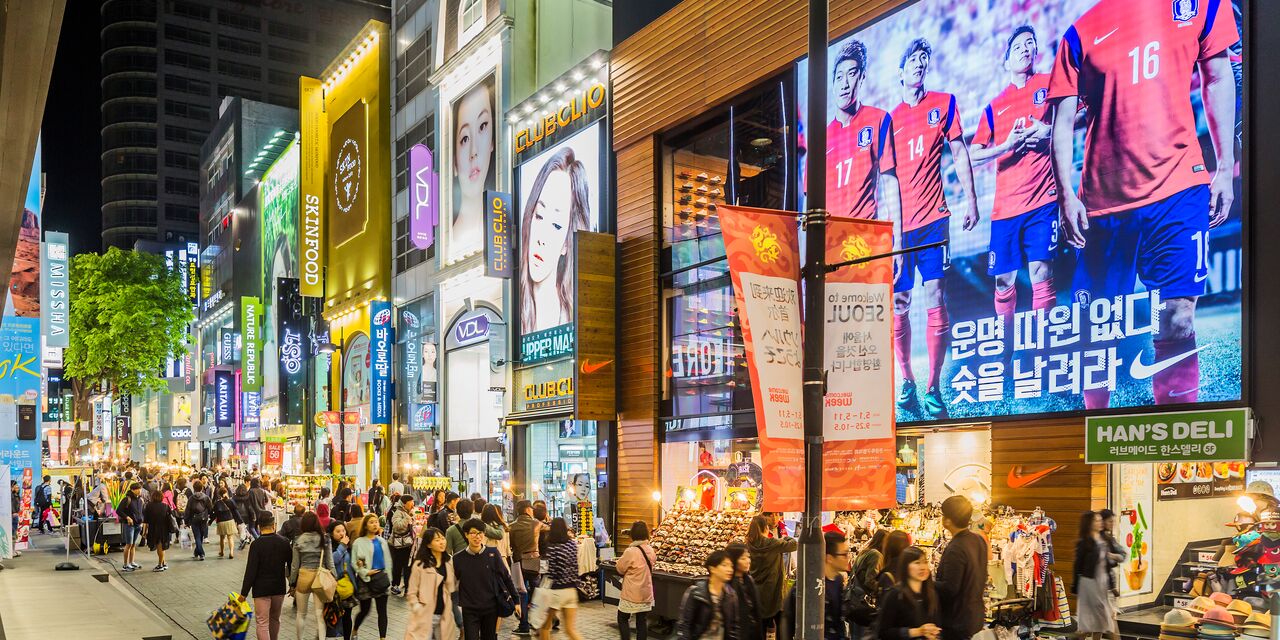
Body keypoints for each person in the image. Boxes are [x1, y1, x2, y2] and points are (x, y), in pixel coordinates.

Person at [1048, 0, 1237, 409]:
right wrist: (1066, 195)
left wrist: (1224, 167)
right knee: (1096, 330)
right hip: (1105, 202)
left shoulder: (1201, 6)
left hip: (1179, 187)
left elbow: (1218, 75)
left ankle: (1177, 439)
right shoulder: (1079, 34)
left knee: (1178, 313)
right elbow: (1061, 123)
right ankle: (1096, 433)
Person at [889, 37, 979, 420]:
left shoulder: (944, 103)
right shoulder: (888, 120)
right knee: (899, 303)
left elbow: (959, 151)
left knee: (935, 298)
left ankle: (932, 388)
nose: (920, 65)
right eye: (914, 60)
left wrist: (971, 200)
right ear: (901, 71)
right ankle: (907, 381)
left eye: (925, 60)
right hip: (901, 229)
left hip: (934, 222)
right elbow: (886, 178)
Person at [969, 25, 1058, 325]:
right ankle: (1006, 350)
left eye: (1030, 43)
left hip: (1043, 201)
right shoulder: (994, 106)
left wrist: (1049, 131)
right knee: (1003, 282)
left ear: (1036, 51)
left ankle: (1043, 346)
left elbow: (1082, 111)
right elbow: (974, 152)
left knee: (1041, 272)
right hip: (1005, 209)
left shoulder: (1052, 84)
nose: (1025, 48)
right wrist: (1005, 146)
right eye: (1018, 45)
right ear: (1006, 61)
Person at [821, 39, 902, 221]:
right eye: (839, 77)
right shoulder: (820, 139)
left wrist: (896, 243)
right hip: (829, 241)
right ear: (833, 82)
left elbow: (889, 181)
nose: (844, 84)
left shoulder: (878, 120)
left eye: (851, 74)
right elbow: (808, 201)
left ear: (862, 77)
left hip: (865, 238)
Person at [518, 146, 593, 335]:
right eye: (540, 216)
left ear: (567, 243)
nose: (541, 239)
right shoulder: (516, 314)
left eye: (556, 226)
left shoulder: (574, 316)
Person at [453, 518, 520, 640]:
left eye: (480, 533)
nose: (477, 536)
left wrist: (516, 601)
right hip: (469, 609)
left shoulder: (493, 554)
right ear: (466, 534)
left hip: (490, 607)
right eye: (473, 533)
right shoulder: (458, 559)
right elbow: (453, 582)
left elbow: (506, 577)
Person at [451, 78, 495, 251]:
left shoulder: (497, 233)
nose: (474, 151)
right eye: (464, 139)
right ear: (454, 160)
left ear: (492, 141)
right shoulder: (451, 244)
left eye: (483, 126)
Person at [933, 496, 987, 640]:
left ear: (948, 521)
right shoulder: (978, 540)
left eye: (943, 515)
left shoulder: (956, 548)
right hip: (975, 615)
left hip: (957, 621)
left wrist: (926, 581)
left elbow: (950, 588)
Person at [240, 512, 293, 640]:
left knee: (262, 622)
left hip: (261, 589)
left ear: (259, 527)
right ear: (274, 525)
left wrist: (244, 593)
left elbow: (251, 570)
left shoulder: (256, 545)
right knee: (275, 618)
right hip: (278, 587)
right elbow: (291, 565)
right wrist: (293, 584)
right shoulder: (284, 542)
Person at [1073, 511, 1125, 640]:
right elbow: (1077, 565)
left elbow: (1107, 565)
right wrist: (1075, 586)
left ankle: (1080, 636)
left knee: (1099, 622)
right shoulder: (1085, 542)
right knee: (1100, 619)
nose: (1100, 522)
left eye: (1100, 520)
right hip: (1090, 583)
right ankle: (1078, 636)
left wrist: (1112, 586)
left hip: (1102, 583)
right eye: (1097, 520)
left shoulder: (1104, 539)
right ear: (1089, 524)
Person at [747, 514, 797, 640]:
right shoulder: (772, 543)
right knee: (781, 629)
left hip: (757, 593)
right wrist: (785, 539)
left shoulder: (749, 545)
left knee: (760, 630)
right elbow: (793, 544)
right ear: (765, 528)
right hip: (774, 592)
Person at [876, 546, 941, 640]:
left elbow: (938, 626)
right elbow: (883, 632)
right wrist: (917, 632)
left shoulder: (931, 594)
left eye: (925, 562)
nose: (923, 567)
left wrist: (934, 634)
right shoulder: (895, 595)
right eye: (917, 563)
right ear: (905, 567)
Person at [406, 527, 459, 640]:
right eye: (437, 540)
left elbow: (452, 587)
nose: (442, 542)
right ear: (429, 545)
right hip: (425, 615)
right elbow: (411, 592)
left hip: (444, 615)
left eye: (443, 538)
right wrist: (417, 608)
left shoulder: (449, 561)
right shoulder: (420, 565)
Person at [677, 549, 739, 640]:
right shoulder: (696, 593)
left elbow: (734, 626)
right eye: (724, 565)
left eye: (731, 566)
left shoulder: (731, 595)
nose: (730, 570)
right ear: (712, 568)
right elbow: (685, 624)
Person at [291, 512, 334, 640]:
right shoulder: (325, 538)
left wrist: (292, 583)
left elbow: (295, 565)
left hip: (304, 576)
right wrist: (334, 579)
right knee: (319, 614)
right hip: (320, 578)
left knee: (301, 613)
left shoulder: (298, 540)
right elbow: (330, 562)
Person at [539, 518, 583, 640]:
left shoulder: (552, 546)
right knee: (570, 630)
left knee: (545, 627)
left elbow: (551, 571)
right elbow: (575, 567)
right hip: (571, 591)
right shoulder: (572, 545)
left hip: (556, 591)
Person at [351, 513, 392, 640]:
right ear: (365, 525)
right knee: (365, 610)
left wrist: (388, 578)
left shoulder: (382, 541)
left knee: (382, 612)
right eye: (371, 522)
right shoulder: (359, 542)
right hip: (366, 580)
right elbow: (355, 561)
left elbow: (388, 561)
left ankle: (382, 638)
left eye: (376, 522)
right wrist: (365, 572)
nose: (375, 524)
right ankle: (355, 630)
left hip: (381, 578)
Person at [616, 521, 657, 640]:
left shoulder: (630, 551)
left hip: (631, 593)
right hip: (645, 593)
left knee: (622, 618)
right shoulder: (650, 550)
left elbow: (620, 568)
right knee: (641, 621)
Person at [509, 500, 544, 634]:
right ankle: (539, 624)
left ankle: (524, 626)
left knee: (522, 594)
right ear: (527, 510)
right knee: (538, 594)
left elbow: (510, 545)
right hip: (534, 562)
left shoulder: (511, 526)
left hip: (519, 564)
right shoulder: (537, 523)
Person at [725, 543, 762, 640]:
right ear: (733, 560)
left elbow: (755, 612)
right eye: (743, 558)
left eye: (748, 557)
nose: (748, 561)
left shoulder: (748, 580)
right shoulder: (727, 585)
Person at [823, 531, 853, 640]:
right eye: (844, 555)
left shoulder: (838, 580)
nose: (848, 558)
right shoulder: (813, 584)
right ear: (829, 558)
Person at [329, 522, 356, 640]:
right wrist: (341, 547)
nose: (341, 533)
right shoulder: (329, 546)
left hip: (347, 587)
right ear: (331, 533)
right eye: (338, 531)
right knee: (333, 615)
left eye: (343, 531)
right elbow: (332, 561)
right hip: (334, 588)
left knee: (347, 616)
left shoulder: (349, 547)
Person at [387, 494, 417, 596]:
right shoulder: (398, 512)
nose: (413, 504)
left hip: (408, 544)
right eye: (411, 502)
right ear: (405, 503)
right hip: (398, 545)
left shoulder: (408, 512)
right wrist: (408, 518)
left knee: (408, 566)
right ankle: (395, 585)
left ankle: (408, 587)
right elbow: (396, 526)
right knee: (398, 566)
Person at [142, 486, 175, 572]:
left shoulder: (149, 506)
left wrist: (144, 532)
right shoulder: (165, 506)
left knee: (159, 547)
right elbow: (170, 517)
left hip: (154, 529)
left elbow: (145, 520)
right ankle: (163, 563)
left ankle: (160, 564)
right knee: (162, 547)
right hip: (164, 529)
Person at [118, 482, 146, 571]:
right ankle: (125, 565)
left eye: (140, 489)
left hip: (138, 525)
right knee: (128, 544)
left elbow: (142, 511)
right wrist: (127, 518)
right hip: (129, 525)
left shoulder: (141, 499)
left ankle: (132, 562)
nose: (139, 490)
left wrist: (143, 521)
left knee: (133, 544)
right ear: (132, 490)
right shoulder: (127, 499)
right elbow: (118, 511)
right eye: (137, 489)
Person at [1099, 509, 1127, 597]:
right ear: (1102, 522)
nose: (1112, 524)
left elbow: (1123, 555)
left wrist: (1111, 556)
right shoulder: (1095, 538)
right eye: (1110, 521)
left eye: (1113, 521)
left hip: (1108, 582)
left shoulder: (1110, 539)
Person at [184, 480, 214, 561]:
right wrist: (211, 518)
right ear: (202, 488)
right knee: (200, 536)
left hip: (194, 519)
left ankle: (198, 553)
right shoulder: (206, 497)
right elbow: (211, 508)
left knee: (197, 536)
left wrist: (186, 521)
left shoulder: (191, 498)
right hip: (204, 519)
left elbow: (188, 510)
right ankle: (201, 553)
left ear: (194, 488)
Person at [213, 486, 243, 559]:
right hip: (230, 520)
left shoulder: (217, 503)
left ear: (219, 494)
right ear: (226, 492)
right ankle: (231, 552)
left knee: (222, 538)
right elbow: (235, 511)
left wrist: (210, 521)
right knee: (230, 537)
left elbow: (215, 513)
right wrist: (239, 521)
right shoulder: (230, 501)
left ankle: (222, 552)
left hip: (221, 521)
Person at [480, 504, 511, 568]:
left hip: (487, 559)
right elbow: (508, 549)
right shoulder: (505, 527)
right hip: (503, 559)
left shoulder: (483, 528)